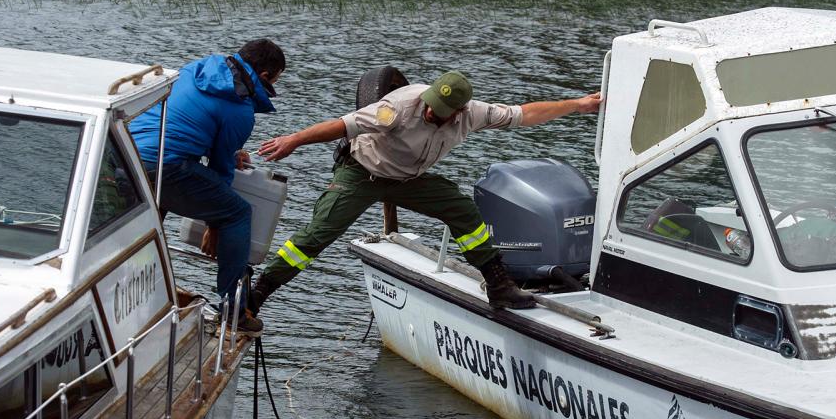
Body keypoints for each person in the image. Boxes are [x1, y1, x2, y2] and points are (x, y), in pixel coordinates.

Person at [250, 71, 601, 314]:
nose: (432, 112)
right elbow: (342, 125)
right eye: (432, 105)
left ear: (460, 112)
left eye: (442, 113)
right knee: (318, 234)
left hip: (409, 179)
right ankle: (258, 293)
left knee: (462, 209)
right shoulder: (398, 107)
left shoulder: (474, 114)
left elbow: (524, 114)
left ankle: (498, 285)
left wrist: (579, 104)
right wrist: (293, 139)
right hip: (362, 173)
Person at [129, 39, 286, 333]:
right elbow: (221, 170)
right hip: (166, 165)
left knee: (155, 213)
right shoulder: (240, 110)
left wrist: (229, 152)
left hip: (126, 155)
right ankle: (234, 311)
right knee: (237, 212)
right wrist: (215, 224)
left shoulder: (194, 70)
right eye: (275, 81)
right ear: (265, 77)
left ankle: (140, 288)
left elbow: (188, 125)